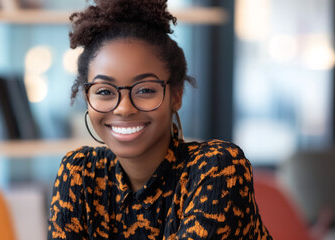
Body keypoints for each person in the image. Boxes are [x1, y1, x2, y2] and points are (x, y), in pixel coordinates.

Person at [48, 0, 273, 239]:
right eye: (104, 91)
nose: (124, 108)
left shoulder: (217, 169)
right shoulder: (80, 174)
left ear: (176, 95)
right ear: (87, 97)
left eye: (145, 90)